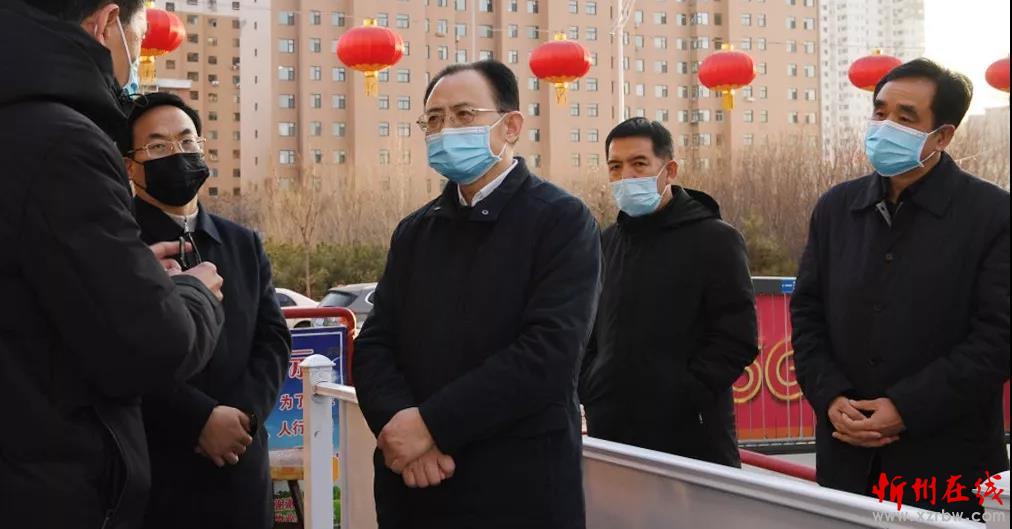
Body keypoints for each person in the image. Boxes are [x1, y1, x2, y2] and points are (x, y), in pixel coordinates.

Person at [0, 0, 225, 529]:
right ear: (106, 25)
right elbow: (149, 347)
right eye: (138, 39)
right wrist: (190, 294)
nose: (136, 60)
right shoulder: (63, 142)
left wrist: (125, 277)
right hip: (46, 486)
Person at [353, 60, 602, 529]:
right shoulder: (415, 231)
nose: (446, 129)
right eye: (434, 119)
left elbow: (548, 354)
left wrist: (431, 426)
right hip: (414, 487)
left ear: (511, 126)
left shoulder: (561, 221)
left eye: (464, 115)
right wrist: (400, 427)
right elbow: (375, 344)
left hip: (517, 489)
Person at [791, 58, 1010, 515]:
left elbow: (998, 338)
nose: (886, 126)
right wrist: (830, 396)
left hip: (947, 463)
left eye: (906, 117)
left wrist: (907, 407)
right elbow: (808, 315)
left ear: (943, 136)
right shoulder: (836, 209)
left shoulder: (992, 215)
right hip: (846, 456)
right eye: (880, 112)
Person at [119, 93, 292, 529]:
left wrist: (242, 416)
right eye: (157, 146)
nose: (176, 154)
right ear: (129, 166)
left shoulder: (242, 242)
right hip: (157, 471)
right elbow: (118, 350)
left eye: (187, 141)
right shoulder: (118, 244)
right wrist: (199, 419)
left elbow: (272, 340)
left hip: (241, 469)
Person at [579, 118, 758, 466]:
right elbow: (588, 330)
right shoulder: (606, 242)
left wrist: (683, 394)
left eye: (639, 164)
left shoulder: (715, 240)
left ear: (669, 170)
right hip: (612, 433)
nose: (626, 176)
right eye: (615, 167)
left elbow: (736, 338)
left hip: (691, 439)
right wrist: (591, 385)